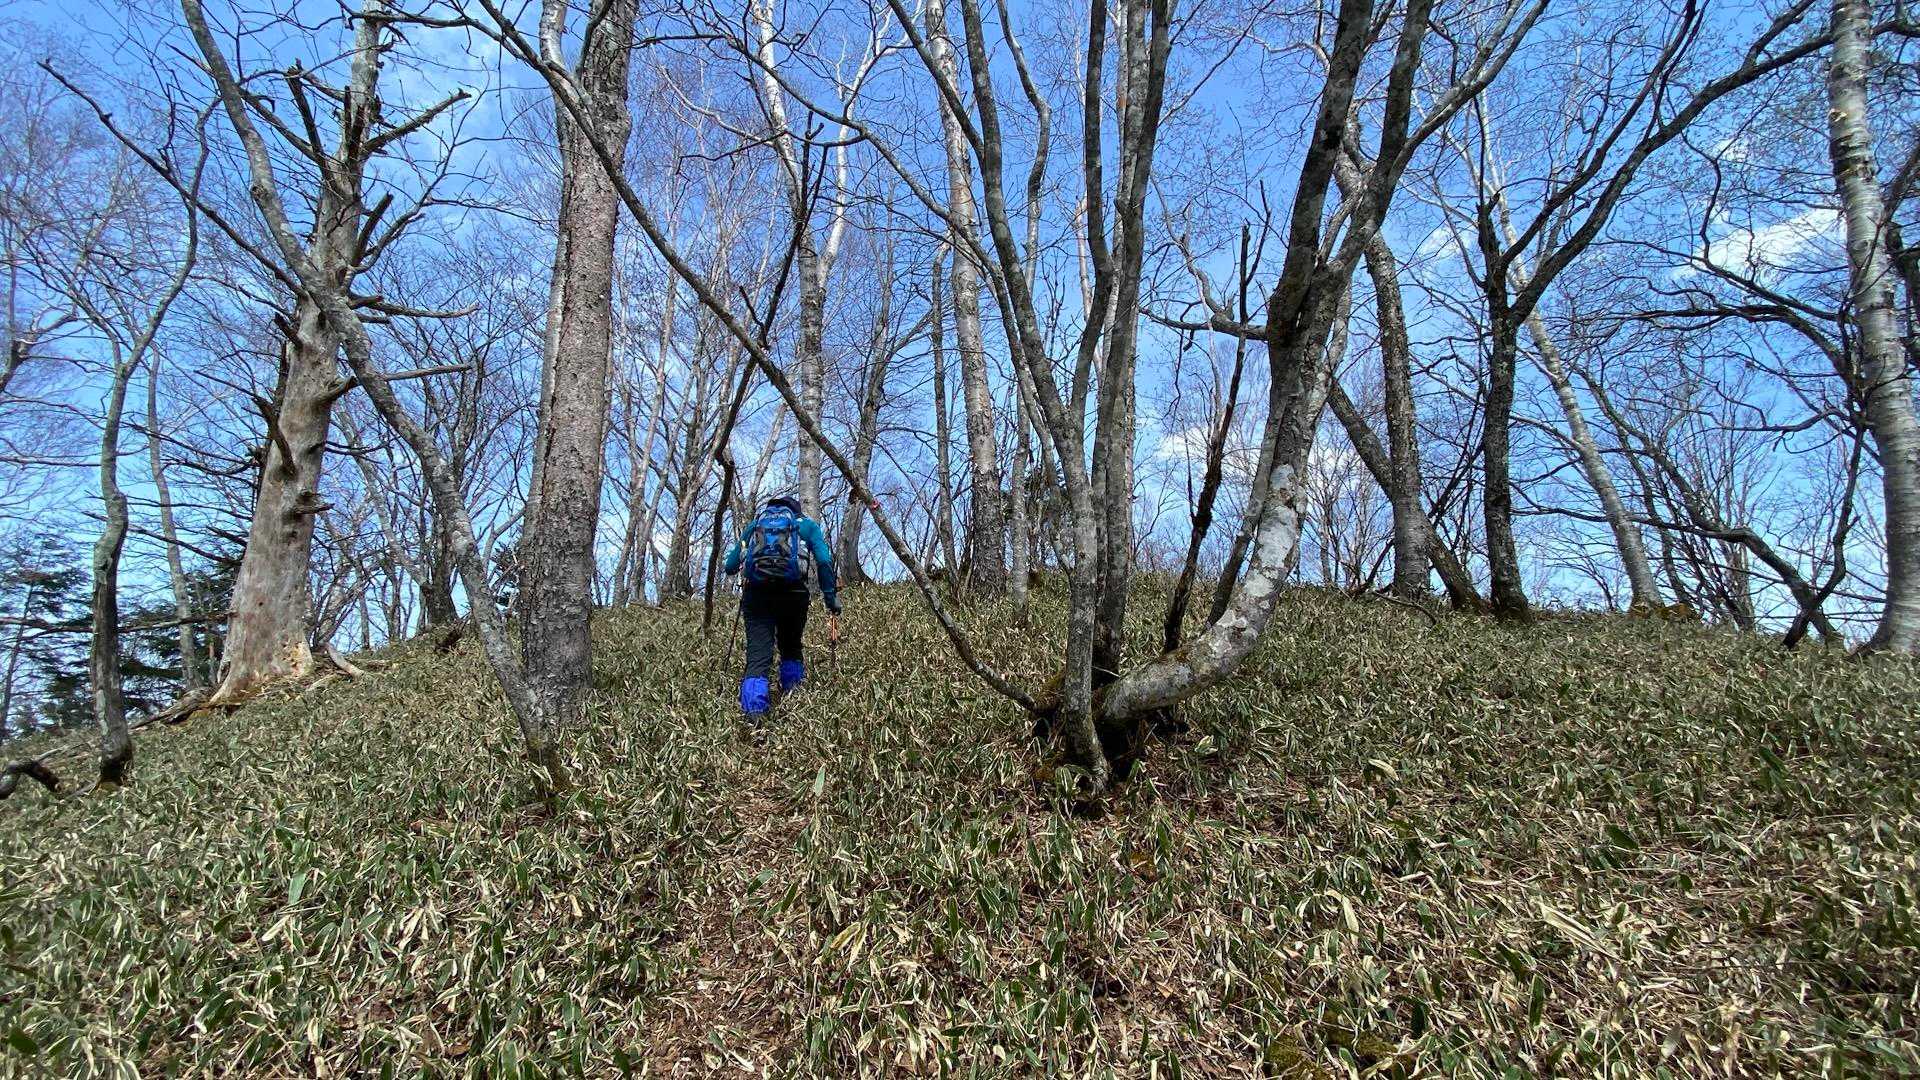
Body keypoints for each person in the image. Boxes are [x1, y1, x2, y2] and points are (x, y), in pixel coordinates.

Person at [722, 495, 840, 726]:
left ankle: (754, 715)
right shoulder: (806, 526)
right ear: (796, 510)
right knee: (791, 647)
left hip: (757, 596)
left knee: (758, 656)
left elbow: (730, 566)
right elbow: (824, 561)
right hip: (794, 595)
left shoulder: (755, 526)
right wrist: (830, 597)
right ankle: (793, 702)